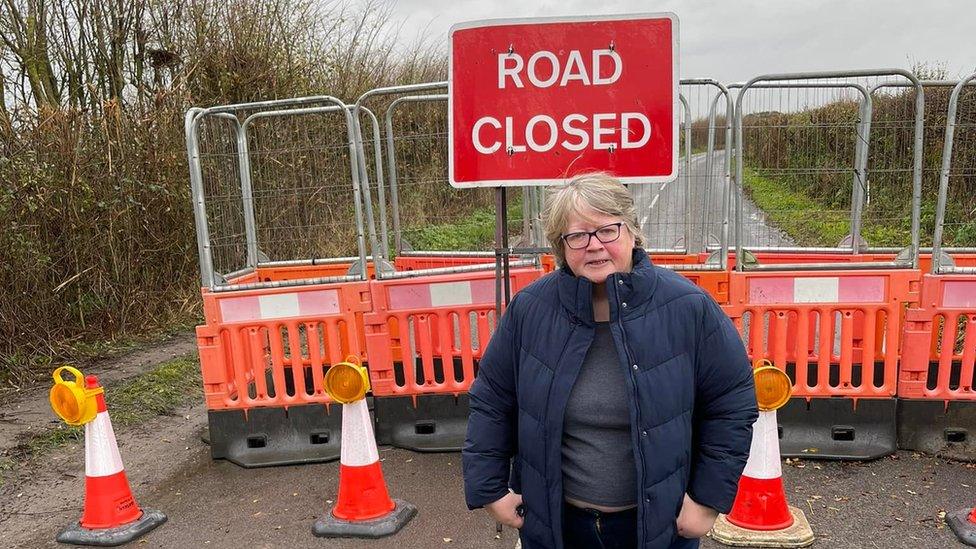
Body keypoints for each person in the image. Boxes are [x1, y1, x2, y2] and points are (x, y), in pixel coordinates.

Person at [462, 172, 758, 549]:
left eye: (607, 230)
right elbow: (492, 400)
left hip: (656, 526)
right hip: (556, 525)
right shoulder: (530, 310)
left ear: (632, 231)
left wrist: (706, 501)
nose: (594, 246)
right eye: (577, 236)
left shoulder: (687, 307)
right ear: (561, 246)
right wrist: (490, 490)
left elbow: (731, 403)